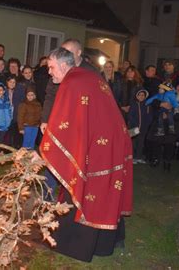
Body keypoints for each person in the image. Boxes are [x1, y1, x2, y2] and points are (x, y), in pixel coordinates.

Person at [40, 47, 132, 262]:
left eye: (51, 67)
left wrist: (49, 142)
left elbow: (66, 124)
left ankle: (74, 244)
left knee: (88, 188)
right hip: (113, 142)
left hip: (100, 146)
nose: (50, 72)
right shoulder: (88, 76)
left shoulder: (72, 82)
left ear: (64, 65)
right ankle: (106, 243)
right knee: (106, 189)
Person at [128, 89, 152, 163]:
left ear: (145, 97)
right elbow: (130, 116)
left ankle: (139, 157)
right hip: (133, 128)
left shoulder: (147, 105)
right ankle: (133, 157)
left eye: (143, 95)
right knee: (133, 143)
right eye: (140, 95)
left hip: (143, 128)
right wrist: (135, 125)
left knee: (141, 143)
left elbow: (149, 116)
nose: (141, 96)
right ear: (137, 96)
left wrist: (147, 124)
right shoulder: (133, 104)